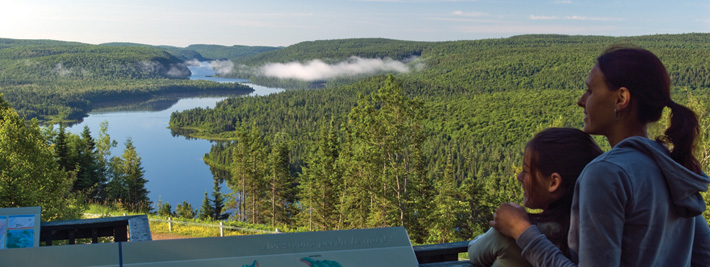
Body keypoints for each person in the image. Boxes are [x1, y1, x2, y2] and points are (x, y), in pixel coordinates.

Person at [490, 46, 710, 266]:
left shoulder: (606, 173)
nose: (581, 100)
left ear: (621, 98)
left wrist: (522, 230)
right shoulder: (672, 166)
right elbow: (703, 255)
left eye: (590, 91)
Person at [468, 128, 602, 267]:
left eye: (526, 171)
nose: (519, 177)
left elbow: (474, 251)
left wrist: (516, 228)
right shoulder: (599, 235)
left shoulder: (511, 233)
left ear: (553, 183)